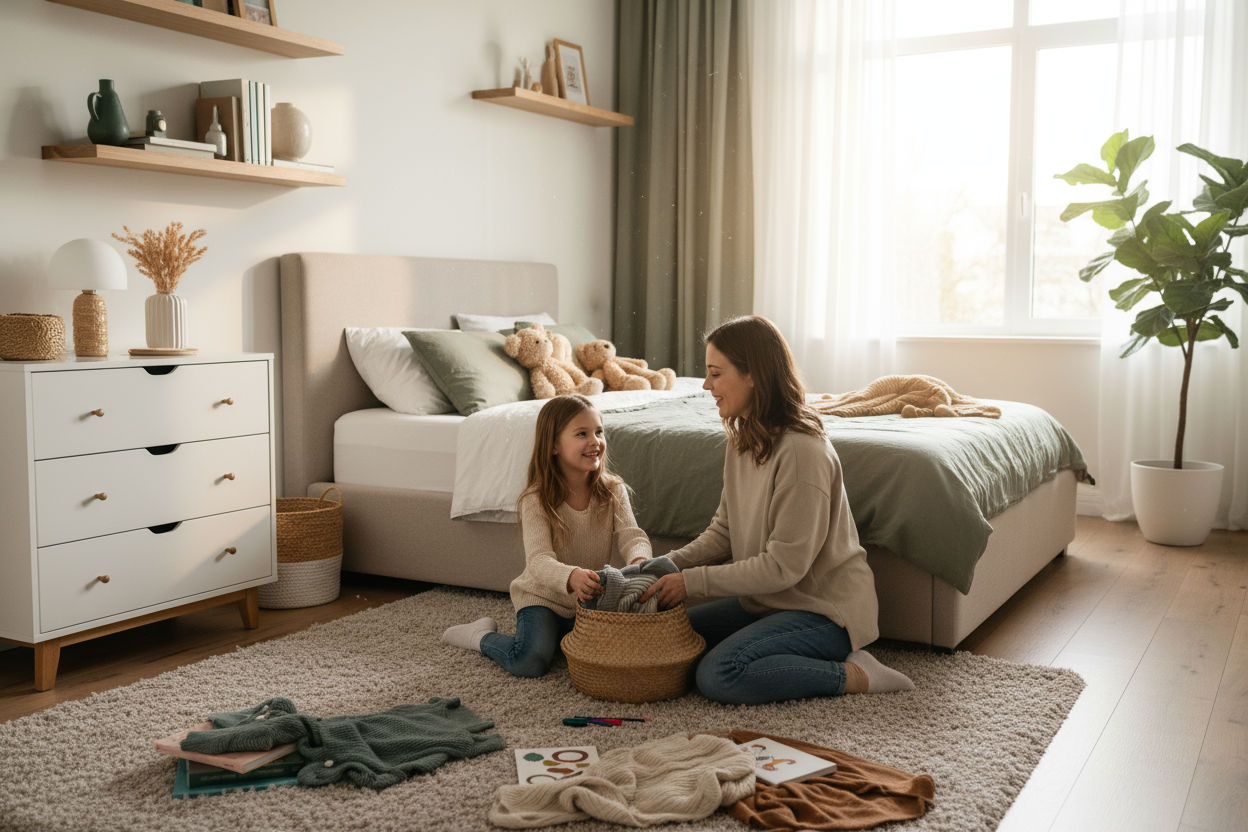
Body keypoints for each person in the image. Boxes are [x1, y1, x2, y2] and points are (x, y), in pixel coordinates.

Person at [639, 315, 913, 704]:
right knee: (663, 637)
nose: (705, 385)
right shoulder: (743, 436)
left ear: (753, 374)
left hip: (824, 613)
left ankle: (855, 674)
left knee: (719, 674)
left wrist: (692, 583)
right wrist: (670, 564)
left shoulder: (802, 452)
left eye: (716, 373)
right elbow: (725, 530)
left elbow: (784, 566)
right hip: (765, 602)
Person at [442, 394, 652, 677]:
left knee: (617, 653)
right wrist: (572, 576)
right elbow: (539, 562)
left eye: (599, 431)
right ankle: (480, 635)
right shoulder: (536, 499)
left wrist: (640, 560)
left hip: (589, 599)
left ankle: (561, 639)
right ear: (553, 445)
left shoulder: (612, 490)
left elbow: (632, 535)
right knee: (530, 661)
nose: (595, 441)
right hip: (542, 598)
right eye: (582, 434)